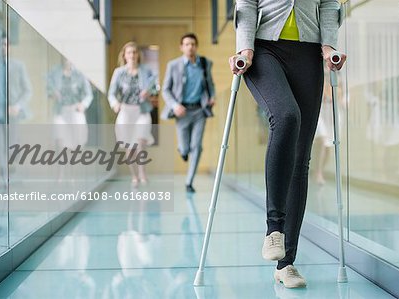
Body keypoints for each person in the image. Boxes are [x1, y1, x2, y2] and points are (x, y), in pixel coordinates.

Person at [229, 0, 347, 288]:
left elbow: (329, 4)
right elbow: (246, 4)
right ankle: (274, 228)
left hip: (308, 52)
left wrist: (328, 45)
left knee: (301, 159)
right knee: (286, 116)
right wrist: (245, 48)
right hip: (264, 48)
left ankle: (287, 263)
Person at [161, 33, 216, 193]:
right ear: (181, 47)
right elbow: (166, 89)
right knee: (185, 148)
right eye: (186, 44)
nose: (190, 47)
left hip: (200, 110)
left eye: (193, 44)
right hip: (181, 112)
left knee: (196, 146)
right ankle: (183, 151)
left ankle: (189, 182)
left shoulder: (205, 63)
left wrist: (212, 97)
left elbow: (210, 84)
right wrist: (175, 105)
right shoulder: (173, 65)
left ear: (196, 46)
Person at [108, 41, 157, 188]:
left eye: (135, 52)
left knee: (140, 141)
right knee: (129, 145)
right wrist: (115, 104)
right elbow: (111, 93)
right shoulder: (119, 72)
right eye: (129, 52)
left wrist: (150, 92)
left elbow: (155, 89)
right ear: (124, 55)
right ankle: (134, 175)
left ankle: (142, 173)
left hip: (141, 110)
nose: (132, 55)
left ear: (138, 55)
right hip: (125, 110)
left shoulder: (146, 71)